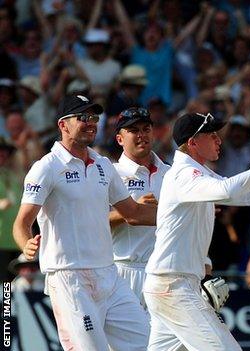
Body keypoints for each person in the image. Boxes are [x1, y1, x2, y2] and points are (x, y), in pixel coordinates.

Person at [143, 112, 250, 350]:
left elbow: (248, 194)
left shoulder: (199, 173)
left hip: (173, 284)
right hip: (173, 286)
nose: (218, 140)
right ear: (193, 143)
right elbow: (228, 190)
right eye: (211, 135)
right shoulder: (184, 175)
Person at [13, 94, 157, 350]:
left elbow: (133, 213)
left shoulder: (103, 165)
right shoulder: (46, 167)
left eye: (93, 117)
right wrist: (26, 246)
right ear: (62, 125)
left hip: (109, 276)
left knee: (148, 345)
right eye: (83, 117)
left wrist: (186, 214)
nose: (91, 122)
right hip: (70, 279)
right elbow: (22, 223)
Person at [109, 107, 170, 308]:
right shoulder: (110, 173)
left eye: (145, 129)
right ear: (120, 139)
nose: (141, 135)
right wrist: (132, 210)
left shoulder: (171, 174)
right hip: (122, 272)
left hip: (165, 273)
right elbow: (92, 222)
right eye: (133, 130)